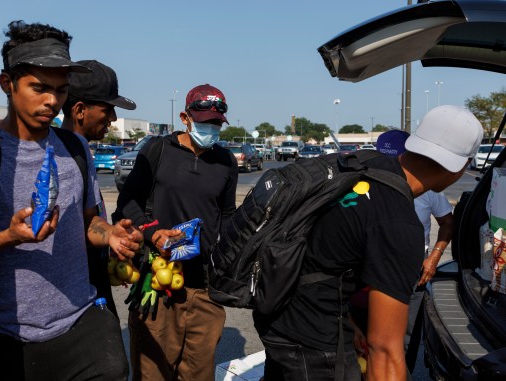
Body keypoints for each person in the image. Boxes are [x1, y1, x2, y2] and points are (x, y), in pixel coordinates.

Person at [254, 105, 483, 381]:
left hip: (278, 315)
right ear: (461, 166)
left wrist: (349, 322)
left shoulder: (360, 164)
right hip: (313, 343)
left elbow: (323, 254)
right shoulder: (399, 225)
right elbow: (384, 352)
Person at [0, 20, 142, 381]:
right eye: (39, 87)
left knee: (114, 368)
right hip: (2, 334)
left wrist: (110, 234)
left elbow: (87, 222)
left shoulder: (75, 148)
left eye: (61, 90)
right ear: (8, 84)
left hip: (78, 322)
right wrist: (9, 237)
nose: (52, 101)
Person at [113, 83, 239, 381]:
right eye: (205, 122)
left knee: (199, 374)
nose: (211, 128)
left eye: (216, 123)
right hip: (159, 284)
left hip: (205, 289)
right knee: (153, 374)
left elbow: (227, 214)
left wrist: (231, 255)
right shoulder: (158, 151)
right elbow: (126, 206)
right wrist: (153, 234)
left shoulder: (226, 162)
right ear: (185, 118)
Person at [61, 59, 137, 316]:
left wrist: (112, 238)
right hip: (77, 298)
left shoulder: (81, 152)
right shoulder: (62, 156)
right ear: (80, 109)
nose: (113, 119)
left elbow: (86, 222)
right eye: (108, 109)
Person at [375, 129, 455, 370]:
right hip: (373, 265)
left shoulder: (427, 188)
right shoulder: (366, 184)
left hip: (413, 268)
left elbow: (447, 223)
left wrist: (434, 257)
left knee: (406, 335)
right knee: (372, 335)